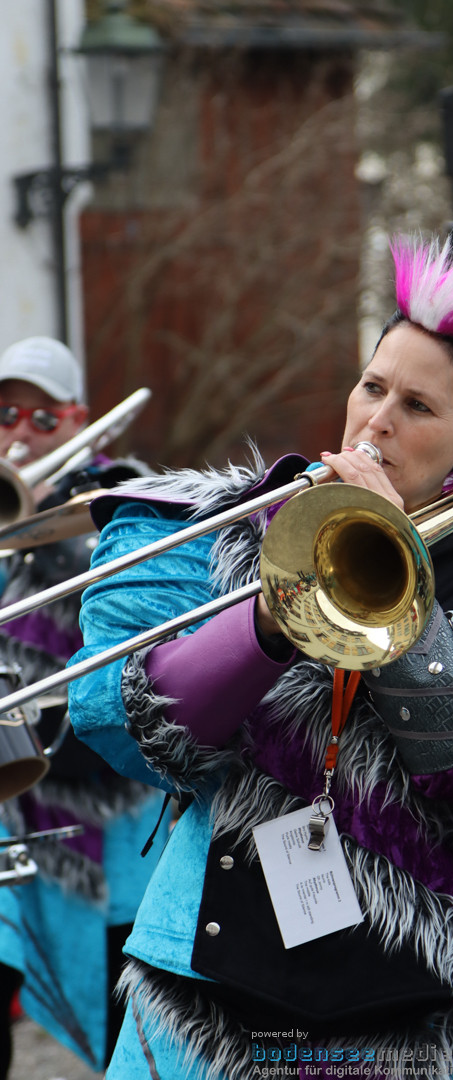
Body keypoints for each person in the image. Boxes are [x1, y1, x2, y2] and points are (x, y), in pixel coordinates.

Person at [67, 236, 453, 1080]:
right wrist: (273, 621)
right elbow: (126, 724)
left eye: (419, 407)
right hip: (212, 998)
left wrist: (400, 598)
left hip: (444, 1009)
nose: (379, 419)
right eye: (373, 387)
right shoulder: (216, 535)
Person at [0, 336, 168, 1075]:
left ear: (81, 421)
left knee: (122, 1024)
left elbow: (138, 620)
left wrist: (50, 524)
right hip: (17, 814)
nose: (20, 433)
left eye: (44, 419)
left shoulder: (121, 496)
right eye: (6, 413)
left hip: (105, 817)